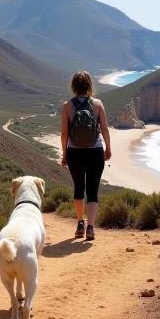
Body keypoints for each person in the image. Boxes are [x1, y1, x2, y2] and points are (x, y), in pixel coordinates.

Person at [60, 71, 111, 240]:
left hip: (75, 153)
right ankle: (90, 227)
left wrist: (65, 154)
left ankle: (80, 223)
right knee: (93, 190)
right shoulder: (97, 104)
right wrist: (108, 148)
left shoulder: (67, 105)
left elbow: (64, 134)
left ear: (74, 86)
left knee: (79, 188)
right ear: (89, 85)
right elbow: (104, 129)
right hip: (95, 152)